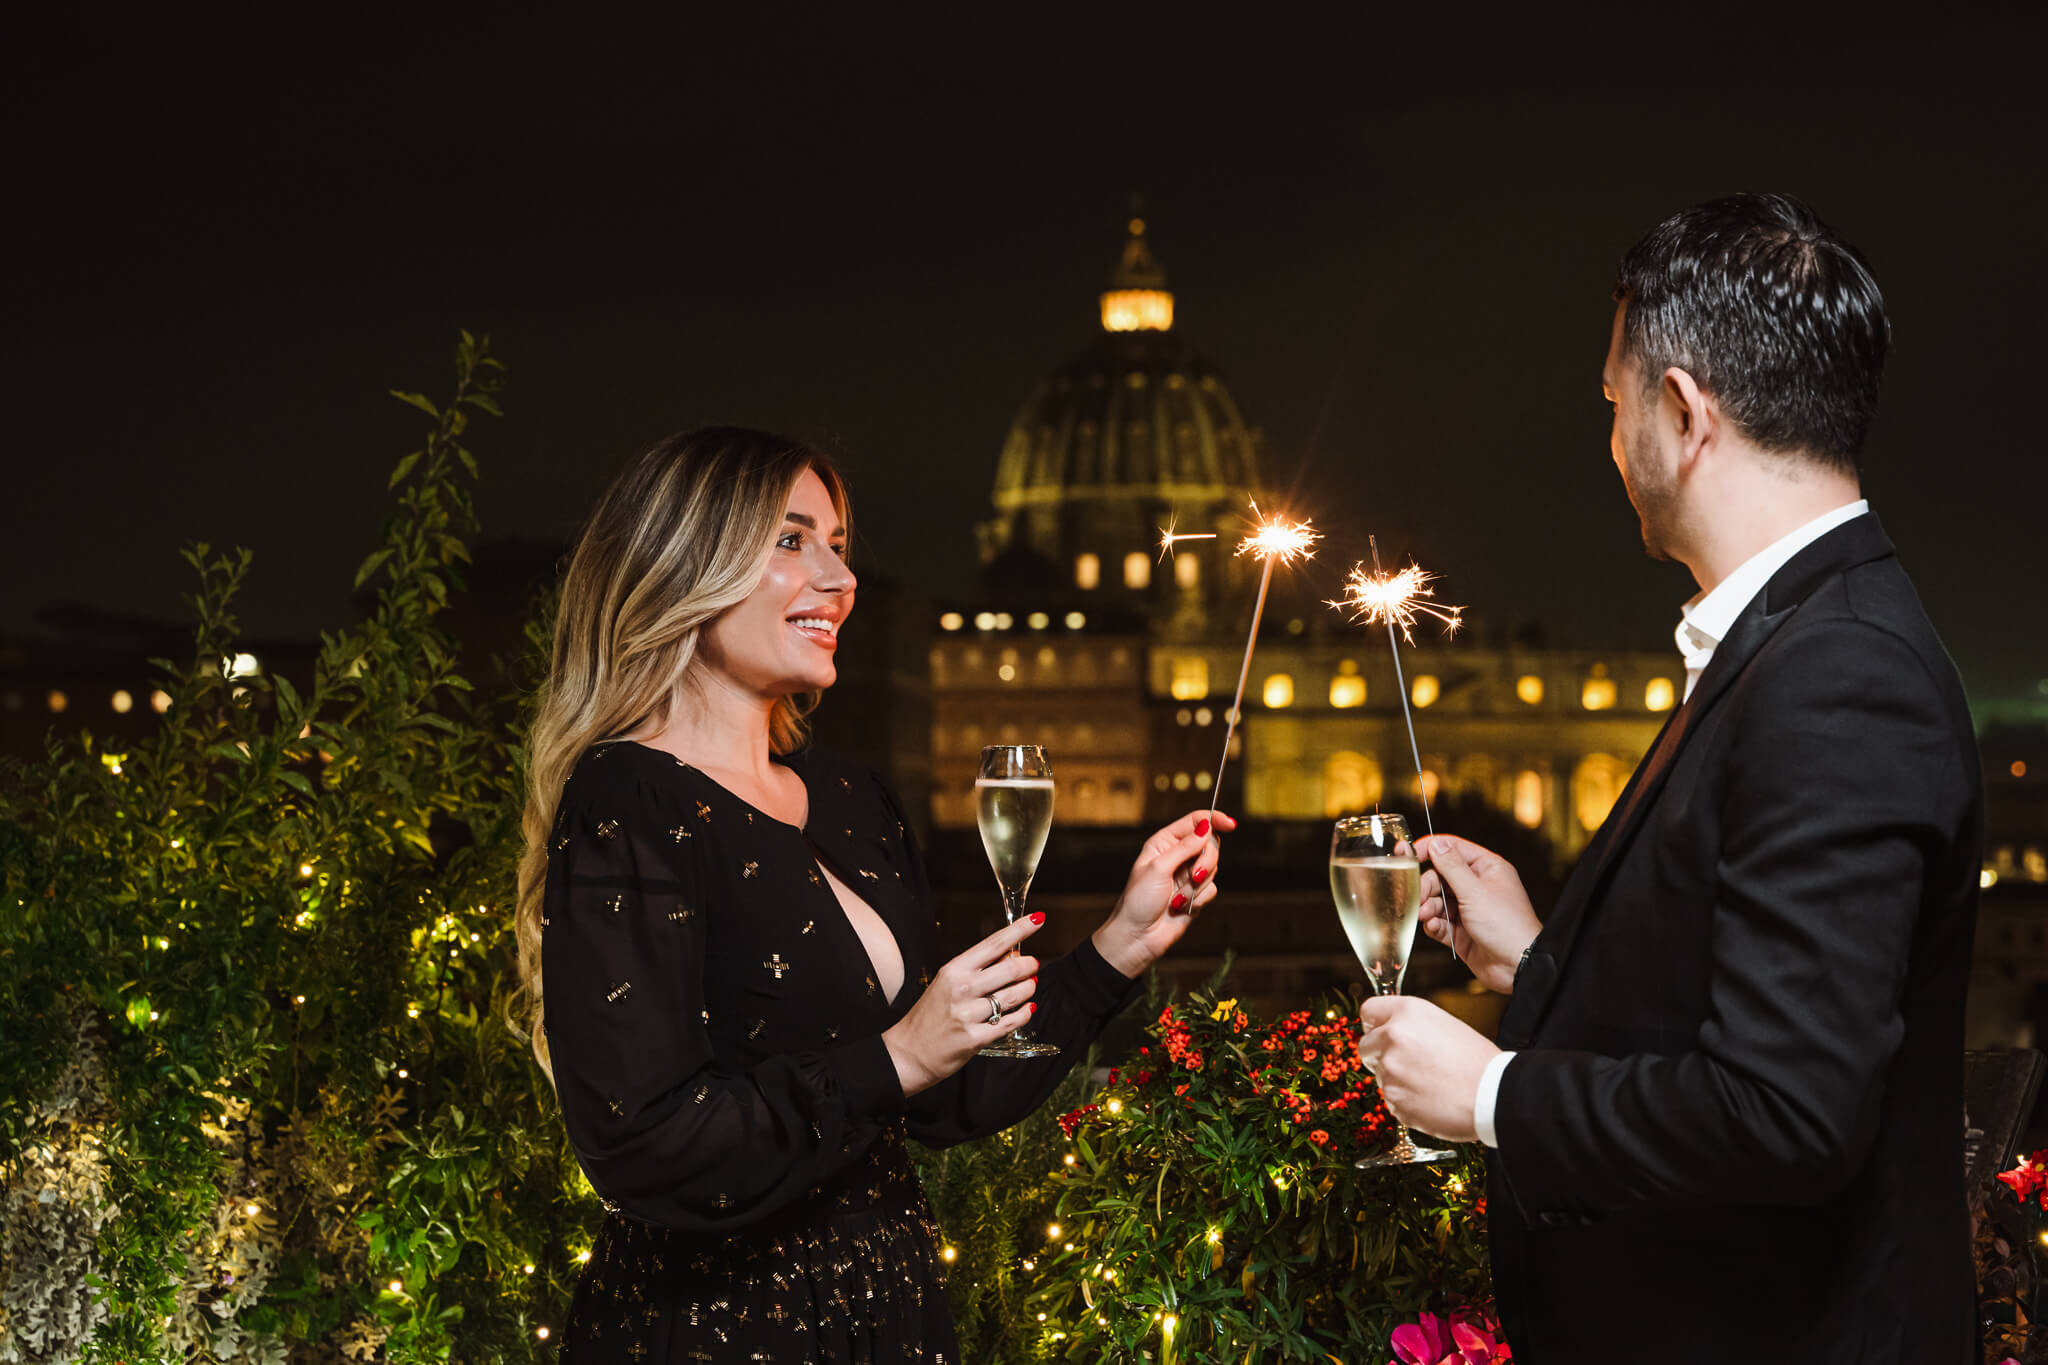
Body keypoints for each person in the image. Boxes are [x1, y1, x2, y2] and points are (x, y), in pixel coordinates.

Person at [1352, 194, 1982, 1362]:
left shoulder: (1835, 675)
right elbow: (1735, 992)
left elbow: (1784, 1114)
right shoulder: (1795, 645)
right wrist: (1538, 959)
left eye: (1609, 401)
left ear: (1682, 412)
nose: (1607, 442)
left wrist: (1492, 1093)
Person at [510, 426, 1231, 1362]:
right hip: (715, 1330)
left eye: (840, 546)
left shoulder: (854, 799)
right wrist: (896, 1056)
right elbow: (642, 1144)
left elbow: (941, 1097)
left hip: (887, 1314)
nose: (841, 580)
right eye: (791, 539)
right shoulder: (626, 803)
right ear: (686, 566)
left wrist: (1116, 949)